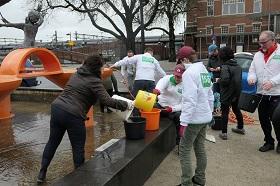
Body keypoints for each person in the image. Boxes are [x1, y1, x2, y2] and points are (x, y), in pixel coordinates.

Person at [37, 55, 132, 183]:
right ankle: (80, 180)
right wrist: (126, 105)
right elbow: (107, 101)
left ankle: (41, 173)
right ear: (97, 67)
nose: (104, 68)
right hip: (73, 115)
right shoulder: (94, 81)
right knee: (78, 148)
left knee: (52, 142)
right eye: (102, 66)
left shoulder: (77, 74)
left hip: (57, 108)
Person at [177, 46, 214, 186]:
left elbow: (189, 100)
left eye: (180, 60)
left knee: (184, 149)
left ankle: (186, 183)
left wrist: (183, 122)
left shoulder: (189, 74)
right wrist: (209, 113)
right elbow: (210, 94)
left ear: (185, 59)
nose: (180, 64)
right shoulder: (203, 70)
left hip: (194, 118)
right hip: (204, 116)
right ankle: (200, 179)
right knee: (200, 147)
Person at [248, 30, 280, 153]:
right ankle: (269, 141)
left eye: (264, 42)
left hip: (277, 93)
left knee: (277, 119)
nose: (261, 45)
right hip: (262, 94)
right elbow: (252, 70)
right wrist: (252, 78)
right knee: (263, 119)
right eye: (260, 43)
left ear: (273, 41)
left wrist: (273, 82)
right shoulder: (257, 55)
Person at [153, 64, 186, 145]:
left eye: (180, 77)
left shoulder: (186, 85)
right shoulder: (167, 79)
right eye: (176, 76)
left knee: (180, 117)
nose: (177, 78)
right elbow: (161, 83)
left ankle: (179, 141)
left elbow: (183, 104)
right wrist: (157, 90)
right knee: (149, 108)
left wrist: (172, 109)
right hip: (161, 106)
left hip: (173, 110)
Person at [217, 46, 244, 140]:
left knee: (224, 113)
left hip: (227, 94)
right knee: (236, 110)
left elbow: (224, 80)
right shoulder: (238, 66)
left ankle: (224, 133)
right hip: (237, 93)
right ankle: (240, 128)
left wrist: (219, 80)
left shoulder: (225, 66)